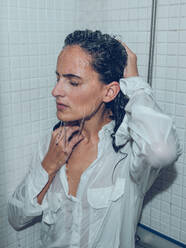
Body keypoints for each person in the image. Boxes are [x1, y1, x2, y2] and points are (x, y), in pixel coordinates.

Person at [8, 30, 181, 248]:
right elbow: (16, 217)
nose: (55, 91)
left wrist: (135, 82)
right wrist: (49, 166)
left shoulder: (128, 150)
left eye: (73, 82)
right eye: (58, 78)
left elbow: (162, 150)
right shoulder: (54, 143)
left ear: (109, 92)